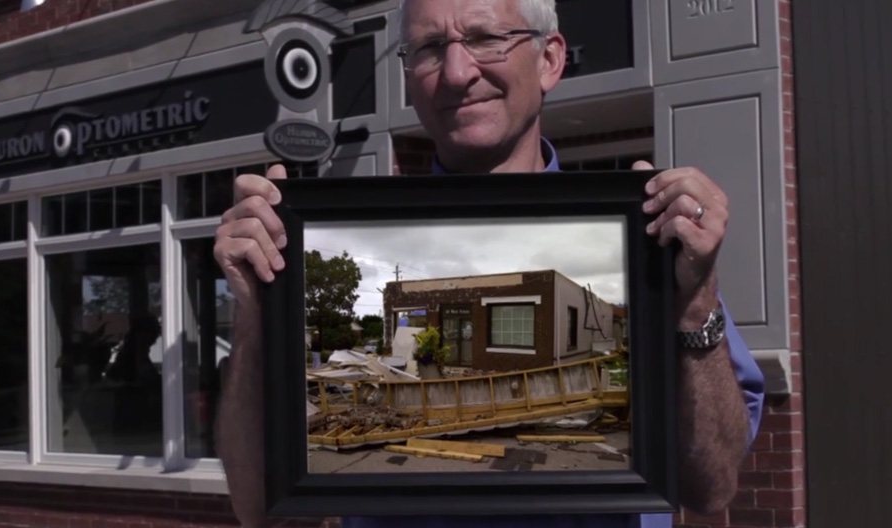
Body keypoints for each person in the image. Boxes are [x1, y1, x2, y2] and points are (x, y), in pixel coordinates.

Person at [213, 0, 764, 526]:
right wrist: (257, 309)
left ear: (549, 59)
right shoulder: (314, 235)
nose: (457, 72)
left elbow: (711, 488)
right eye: (430, 48)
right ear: (408, 76)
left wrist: (694, 304)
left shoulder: (648, 245)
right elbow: (254, 506)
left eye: (485, 38)